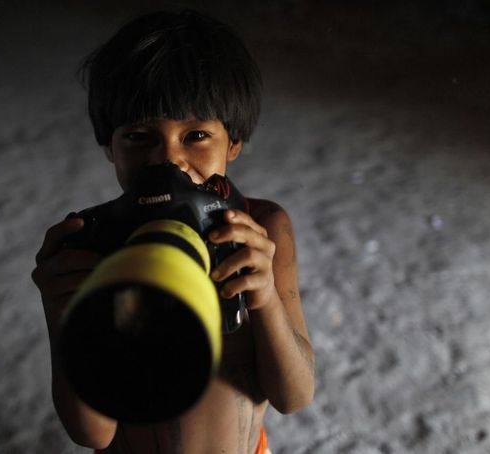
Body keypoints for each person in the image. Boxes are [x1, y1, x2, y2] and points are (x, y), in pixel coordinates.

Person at [32, 9, 315, 454]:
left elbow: (293, 397)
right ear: (109, 144)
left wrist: (265, 298)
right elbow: (93, 433)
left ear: (234, 142)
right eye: (140, 136)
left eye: (197, 135)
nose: (169, 161)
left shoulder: (261, 231)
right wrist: (61, 310)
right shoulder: (94, 244)